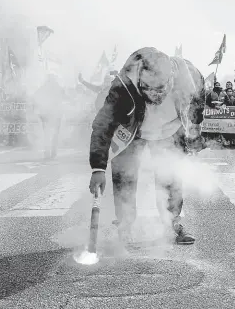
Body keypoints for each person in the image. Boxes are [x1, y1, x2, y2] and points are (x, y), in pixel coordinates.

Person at [88, 47, 205, 245]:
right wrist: (98, 168)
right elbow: (102, 125)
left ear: (171, 79)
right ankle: (125, 224)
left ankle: (173, 222)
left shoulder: (189, 77)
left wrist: (195, 125)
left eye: (160, 89)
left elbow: (199, 100)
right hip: (135, 129)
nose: (154, 95)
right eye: (147, 88)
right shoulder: (123, 86)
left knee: (170, 176)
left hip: (169, 128)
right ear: (140, 78)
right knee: (124, 174)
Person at [32, 73, 66, 160]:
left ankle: (50, 152)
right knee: (52, 134)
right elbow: (36, 97)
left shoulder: (46, 87)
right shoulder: (54, 87)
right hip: (49, 114)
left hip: (51, 114)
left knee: (49, 134)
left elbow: (36, 96)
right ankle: (51, 152)